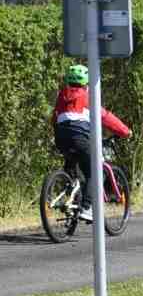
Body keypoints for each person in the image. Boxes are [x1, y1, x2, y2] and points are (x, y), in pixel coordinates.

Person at [50, 64, 132, 222]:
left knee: (72, 171)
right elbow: (105, 116)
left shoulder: (62, 96)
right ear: (86, 82)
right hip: (80, 139)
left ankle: (72, 198)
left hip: (61, 138)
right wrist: (124, 131)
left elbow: (54, 118)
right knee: (95, 172)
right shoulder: (88, 97)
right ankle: (87, 208)